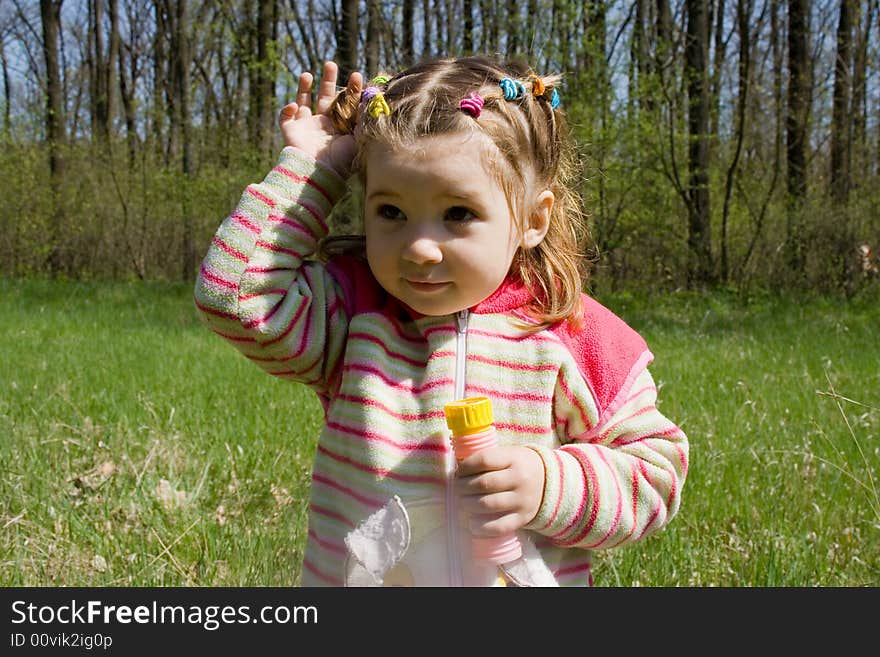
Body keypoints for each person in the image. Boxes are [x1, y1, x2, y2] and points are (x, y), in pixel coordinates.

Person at [194, 56, 689, 587]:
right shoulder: (353, 316)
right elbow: (232, 294)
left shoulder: (572, 334)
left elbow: (654, 472)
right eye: (391, 213)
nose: (420, 248)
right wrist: (314, 166)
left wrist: (548, 484)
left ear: (532, 219)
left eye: (457, 214)